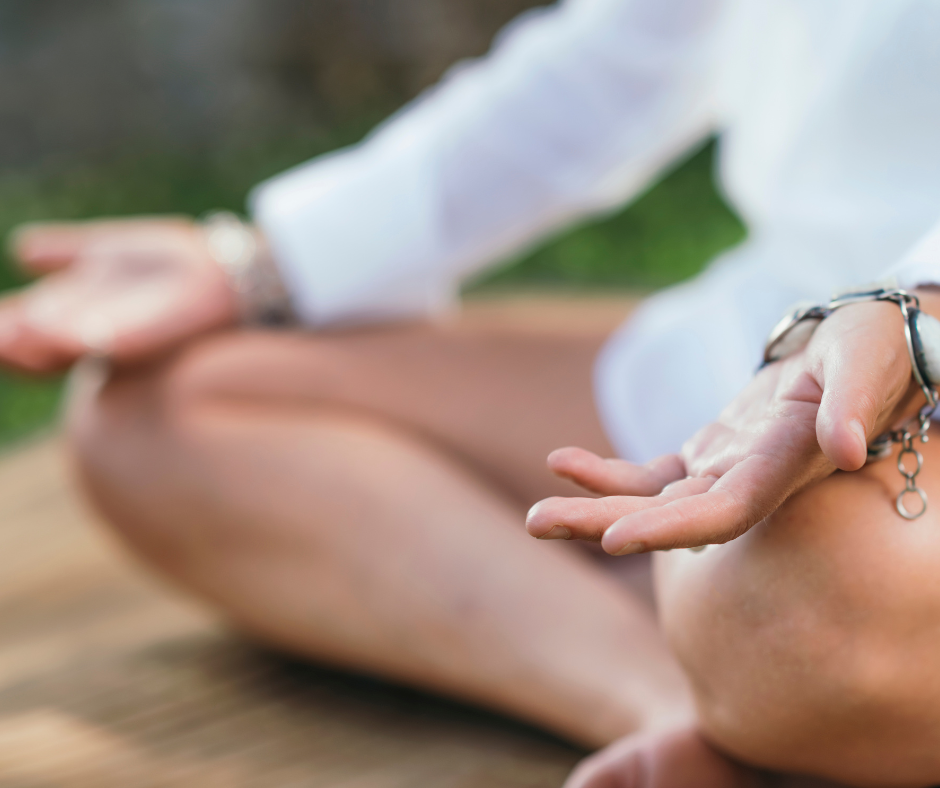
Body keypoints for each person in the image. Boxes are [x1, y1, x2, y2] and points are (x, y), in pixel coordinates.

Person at [4, 0, 940, 783]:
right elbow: (626, 50)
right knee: (165, 412)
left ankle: (721, 648)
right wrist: (272, 259)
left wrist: (920, 308)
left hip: (910, 365)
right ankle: (663, 707)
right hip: (760, 340)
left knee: (823, 623)